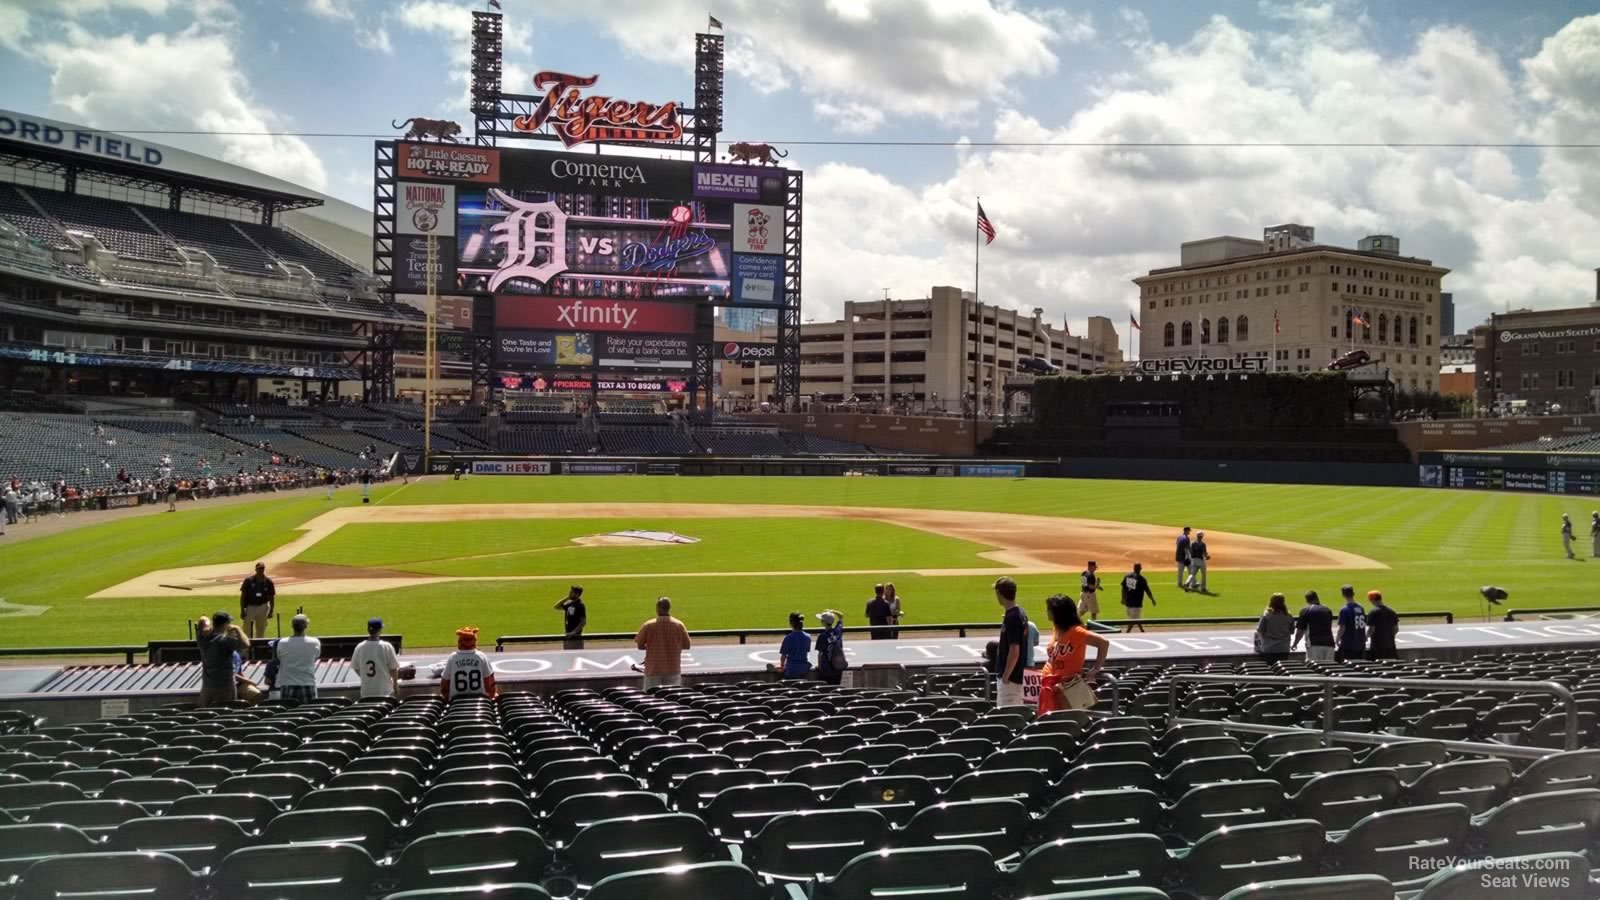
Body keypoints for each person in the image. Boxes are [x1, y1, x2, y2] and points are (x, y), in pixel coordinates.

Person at [1037, 593, 1109, 715]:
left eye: (1049, 609)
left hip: (1067, 690)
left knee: (1063, 723)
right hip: (1049, 688)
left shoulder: (1077, 631)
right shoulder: (1057, 628)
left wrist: (1095, 669)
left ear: (1058, 612)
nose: (1046, 612)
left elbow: (1104, 643)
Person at [634, 597, 691, 688]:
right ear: (669, 608)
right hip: (673, 668)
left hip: (653, 669)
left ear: (658, 608)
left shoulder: (648, 625)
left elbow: (640, 646)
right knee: (672, 696)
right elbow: (687, 645)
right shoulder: (679, 625)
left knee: (651, 697)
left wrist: (653, 647)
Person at [195, 611, 246, 707]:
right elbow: (246, 644)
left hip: (207, 686)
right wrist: (238, 629)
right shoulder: (225, 640)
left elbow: (203, 621)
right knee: (225, 713)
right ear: (225, 624)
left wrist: (208, 625)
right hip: (225, 686)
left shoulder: (202, 638)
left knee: (206, 714)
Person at [993, 576, 1030, 708]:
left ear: (999, 593)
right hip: (1016, 677)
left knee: (1007, 715)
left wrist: (1005, 677)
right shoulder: (1020, 613)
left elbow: (1014, 650)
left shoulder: (1012, 617)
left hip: (1011, 680)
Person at [274, 614, 322, 704]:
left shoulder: (282, 642)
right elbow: (316, 656)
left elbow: (279, 657)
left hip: (287, 684)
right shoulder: (314, 642)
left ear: (292, 626)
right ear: (306, 626)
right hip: (307, 684)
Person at [441, 626, 497, 700]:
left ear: (460, 641)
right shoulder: (481, 657)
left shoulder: (453, 658)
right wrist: (492, 695)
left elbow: (445, 683)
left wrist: (446, 697)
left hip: (456, 706)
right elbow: (489, 682)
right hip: (479, 705)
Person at [351, 617, 401, 698]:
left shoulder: (359, 647)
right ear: (380, 630)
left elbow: (355, 667)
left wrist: (364, 676)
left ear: (368, 630)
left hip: (366, 693)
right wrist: (395, 685)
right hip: (385, 691)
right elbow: (393, 669)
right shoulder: (386, 646)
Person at [1291, 590, 1336, 662]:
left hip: (1314, 645)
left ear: (1307, 600)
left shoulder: (1305, 610)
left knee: (1315, 669)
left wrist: (1295, 643)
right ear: (1317, 598)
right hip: (1330, 644)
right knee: (1329, 668)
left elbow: (1300, 631)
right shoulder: (1328, 610)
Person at [239, 563, 275, 640]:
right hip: (250, 607)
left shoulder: (268, 582)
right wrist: (242, 610)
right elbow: (243, 596)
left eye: (262, 568)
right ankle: (247, 647)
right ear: (256, 569)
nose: (260, 570)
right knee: (246, 629)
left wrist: (271, 611)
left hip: (263, 607)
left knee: (261, 629)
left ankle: (259, 647)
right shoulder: (248, 581)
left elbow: (271, 597)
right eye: (259, 568)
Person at [1255, 594, 1295, 663]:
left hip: (1269, 649)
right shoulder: (1289, 616)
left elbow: (1260, 630)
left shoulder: (1266, 615)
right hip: (1284, 649)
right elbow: (1292, 631)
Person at [1120, 562, 1156, 632]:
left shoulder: (1127, 576)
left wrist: (1123, 598)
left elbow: (1123, 588)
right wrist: (1152, 599)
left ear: (1133, 568)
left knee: (1136, 617)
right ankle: (1127, 632)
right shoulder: (1142, 579)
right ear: (1140, 569)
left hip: (1128, 601)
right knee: (1134, 619)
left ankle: (1142, 630)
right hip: (1136, 603)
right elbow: (1147, 590)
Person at [814, 609, 846, 685]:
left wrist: (819, 667)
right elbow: (841, 615)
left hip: (826, 670)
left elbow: (820, 654)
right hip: (838, 669)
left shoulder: (822, 636)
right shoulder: (838, 631)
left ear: (824, 623)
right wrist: (833, 611)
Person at [778, 611, 812, 680]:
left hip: (791, 670)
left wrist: (781, 666)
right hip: (803, 670)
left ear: (791, 623)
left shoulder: (788, 638)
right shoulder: (808, 637)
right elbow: (806, 651)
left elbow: (783, 656)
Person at [1366, 591, 1399, 660]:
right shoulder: (1391, 611)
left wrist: (1365, 637)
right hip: (1391, 646)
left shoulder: (1373, 612)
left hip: (1377, 647)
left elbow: (1371, 630)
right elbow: (1396, 629)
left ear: (1373, 600)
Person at [555, 586, 587, 650]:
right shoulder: (570, 604)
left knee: (575, 654)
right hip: (567, 634)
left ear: (577, 594)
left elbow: (583, 621)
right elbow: (556, 606)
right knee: (567, 654)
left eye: (571, 592)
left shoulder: (580, 605)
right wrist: (567, 598)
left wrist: (574, 632)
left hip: (576, 636)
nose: (569, 593)